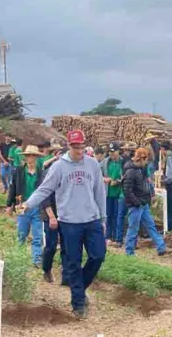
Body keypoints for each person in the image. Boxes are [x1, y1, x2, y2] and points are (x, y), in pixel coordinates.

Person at [22, 129, 106, 319]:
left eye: (81, 146)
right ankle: (78, 304)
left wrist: (103, 219)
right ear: (69, 146)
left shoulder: (92, 164)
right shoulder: (59, 167)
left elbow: (100, 192)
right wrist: (28, 204)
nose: (79, 150)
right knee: (73, 263)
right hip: (69, 223)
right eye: (75, 147)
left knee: (98, 256)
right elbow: (44, 190)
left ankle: (80, 288)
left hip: (91, 219)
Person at [123, 147, 171, 257]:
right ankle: (129, 252)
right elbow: (127, 191)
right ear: (141, 159)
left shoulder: (142, 169)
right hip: (136, 205)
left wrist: (151, 192)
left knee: (151, 225)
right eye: (146, 160)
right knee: (133, 228)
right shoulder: (130, 172)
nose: (146, 162)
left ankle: (161, 247)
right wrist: (137, 202)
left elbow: (147, 181)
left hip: (143, 203)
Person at [6, 145, 45, 268]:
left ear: (37, 157)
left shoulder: (42, 173)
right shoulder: (19, 171)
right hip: (21, 205)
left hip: (37, 207)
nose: (30, 158)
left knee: (37, 235)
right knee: (22, 234)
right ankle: (19, 258)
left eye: (32, 155)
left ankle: (37, 260)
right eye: (28, 155)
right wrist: (9, 204)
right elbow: (13, 188)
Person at [40, 149, 67, 286]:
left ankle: (66, 274)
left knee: (67, 245)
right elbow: (45, 198)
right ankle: (46, 269)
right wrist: (52, 217)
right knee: (51, 245)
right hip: (49, 212)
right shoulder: (48, 174)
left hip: (65, 214)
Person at [100, 142, 126, 247]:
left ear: (118, 151)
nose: (112, 154)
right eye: (110, 152)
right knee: (108, 215)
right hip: (107, 193)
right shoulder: (105, 162)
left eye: (113, 152)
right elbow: (96, 174)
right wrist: (105, 179)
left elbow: (125, 175)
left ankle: (116, 236)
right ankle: (107, 236)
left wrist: (119, 181)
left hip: (119, 193)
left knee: (117, 215)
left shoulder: (123, 162)